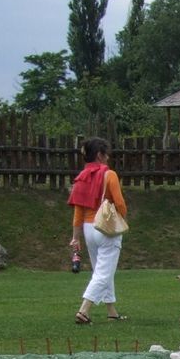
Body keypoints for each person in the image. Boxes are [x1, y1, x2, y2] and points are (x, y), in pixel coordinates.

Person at [67, 136, 128, 325]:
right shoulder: (109, 175)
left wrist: (75, 237)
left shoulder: (81, 177)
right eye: (106, 154)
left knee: (101, 271)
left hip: (88, 229)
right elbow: (120, 203)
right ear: (100, 155)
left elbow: (78, 211)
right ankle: (84, 310)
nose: (108, 158)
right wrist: (122, 218)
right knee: (103, 273)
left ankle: (112, 311)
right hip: (105, 227)